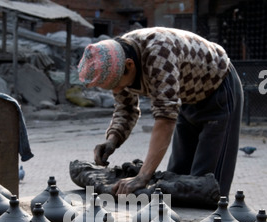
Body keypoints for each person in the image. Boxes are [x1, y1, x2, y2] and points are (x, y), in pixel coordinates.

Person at [77, 27, 243, 198]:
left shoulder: (158, 53)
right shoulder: (116, 59)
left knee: (205, 184)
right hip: (186, 98)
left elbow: (165, 119)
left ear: (129, 64)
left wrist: (143, 176)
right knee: (177, 177)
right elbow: (126, 109)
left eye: (118, 85)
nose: (119, 90)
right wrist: (113, 140)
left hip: (218, 93)